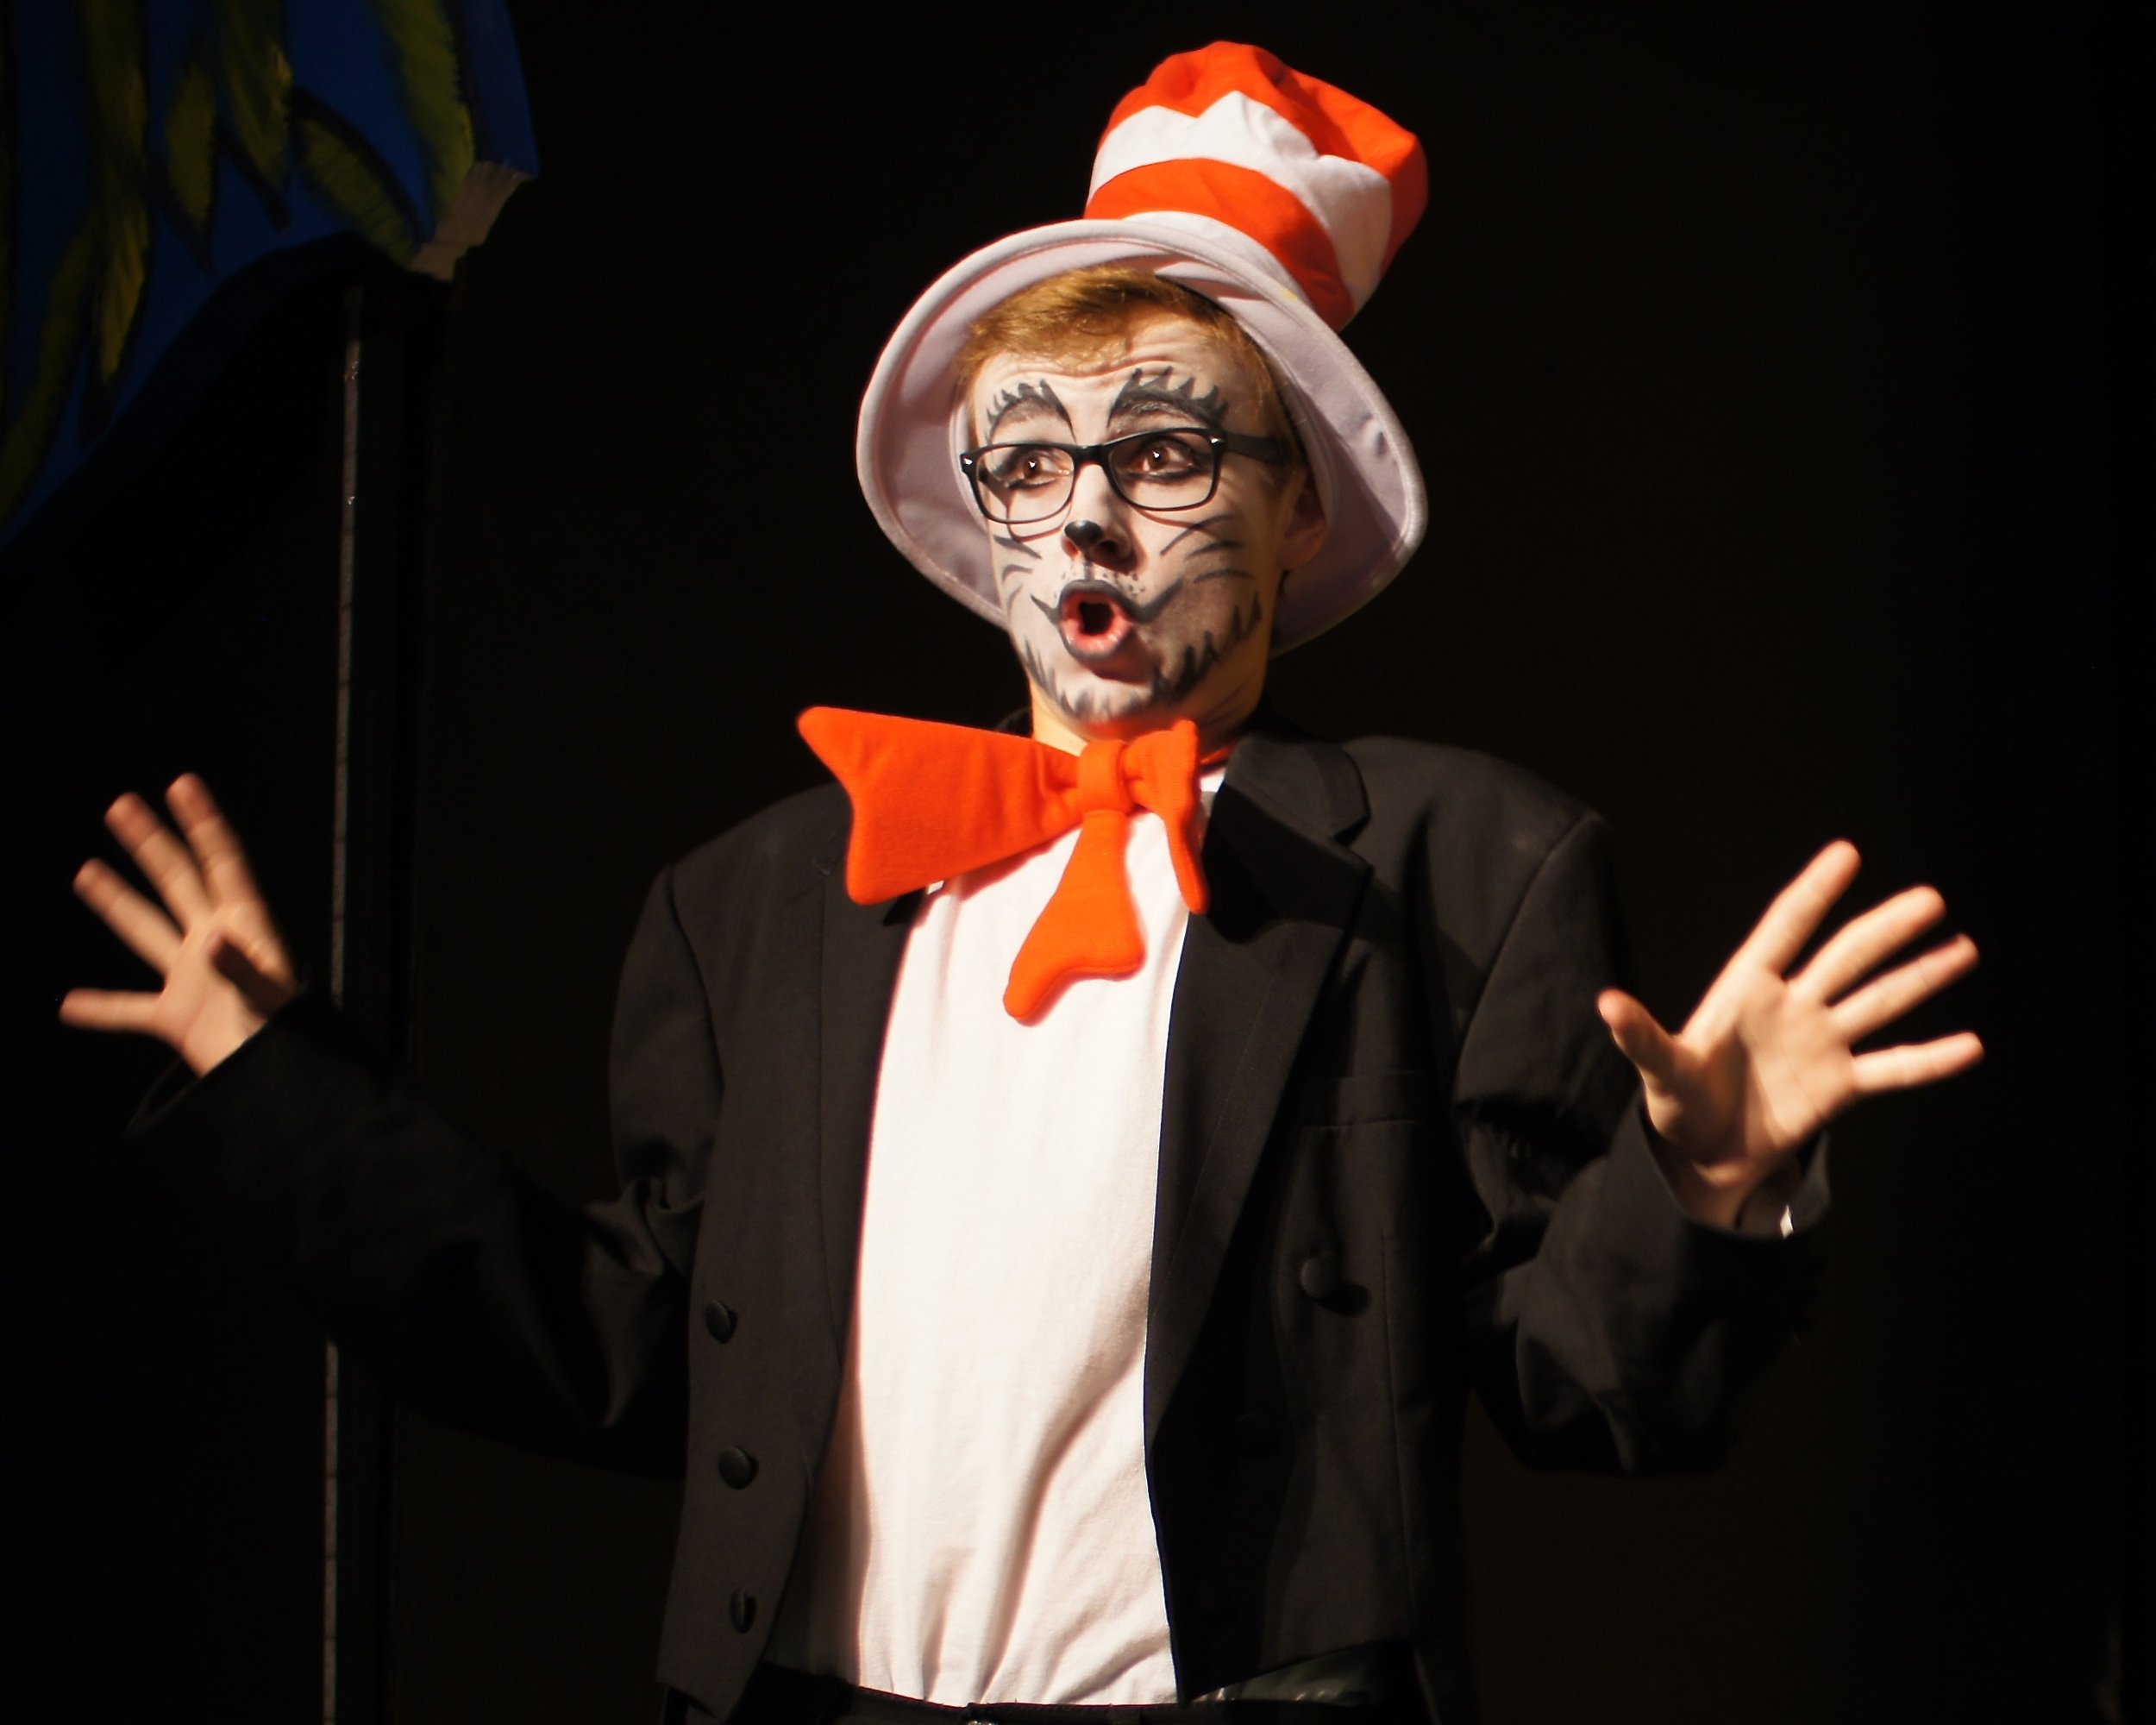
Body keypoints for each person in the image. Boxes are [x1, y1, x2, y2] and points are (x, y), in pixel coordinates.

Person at [60, 44, 1981, 1725]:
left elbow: (1581, 1386)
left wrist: (1704, 1186)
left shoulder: (1454, 868)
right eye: (1031, 460)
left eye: (1164, 450)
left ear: (1296, 505)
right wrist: (278, 1091)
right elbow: (631, 1353)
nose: (1088, 519)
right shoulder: (763, 902)